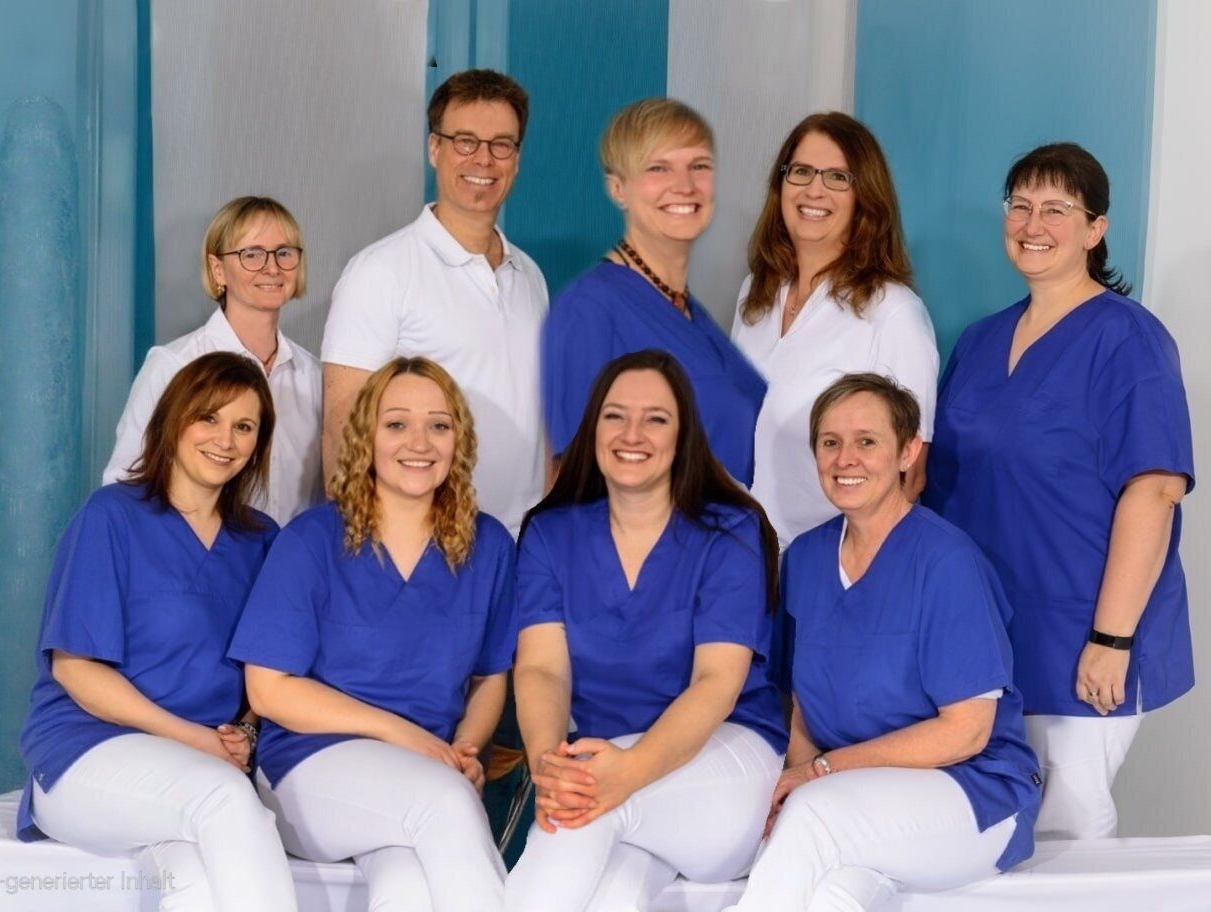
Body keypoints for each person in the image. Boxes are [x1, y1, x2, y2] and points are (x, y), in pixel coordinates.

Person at [923, 143, 1194, 840]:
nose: (1033, 224)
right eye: (1020, 206)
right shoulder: (979, 342)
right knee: (985, 834)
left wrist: (1111, 636)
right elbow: (938, 487)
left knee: (1067, 832)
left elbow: (1154, 492)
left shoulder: (1129, 340)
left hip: (1078, 632)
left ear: (1095, 229)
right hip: (984, 633)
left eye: (1056, 209)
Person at [729, 373, 1041, 912]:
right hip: (856, 794)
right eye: (831, 442)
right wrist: (798, 776)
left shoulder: (947, 563)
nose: (845, 459)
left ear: (907, 452)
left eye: (867, 441)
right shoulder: (804, 560)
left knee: (815, 817)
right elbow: (802, 706)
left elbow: (966, 732)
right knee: (832, 894)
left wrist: (821, 773)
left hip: (972, 791)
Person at [229, 357, 514, 912]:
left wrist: (464, 748)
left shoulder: (490, 545)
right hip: (308, 768)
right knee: (445, 805)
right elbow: (268, 690)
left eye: (438, 425)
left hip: (426, 773)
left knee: (409, 887)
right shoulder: (312, 540)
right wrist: (407, 738)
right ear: (367, 436)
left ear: (459, 440)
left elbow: (489, 677)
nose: (419, 442)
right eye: (397, 423)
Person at [505, 350, 786, 912]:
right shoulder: (550, 534)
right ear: (592, 427)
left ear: (684, 436)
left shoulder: (729, 534)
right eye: (615, 416)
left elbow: (715, 682)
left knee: (582, 808)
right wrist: (547, 765)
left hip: (726, 762)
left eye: (655, 418)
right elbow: (542, 669)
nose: (632, 434)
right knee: (615, 893)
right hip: (608, 772)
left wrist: (624, 772)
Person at [17, 352, 297, 911]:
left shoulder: (262, 539)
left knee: (195, 882)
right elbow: (75, 669)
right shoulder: (111, 517)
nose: (225, 440)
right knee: (225, 800)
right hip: (86, 749)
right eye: (209, 417)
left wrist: (244, 730)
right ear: (174, 419)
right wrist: (194, 739)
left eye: (244, 426)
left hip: (201, 760)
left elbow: (271, 666)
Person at [321, 69, 546, 537]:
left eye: (501, 144)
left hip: (522, 541)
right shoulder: (379, 272)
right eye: (465, 141)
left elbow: (539, 416)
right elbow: (343, 430)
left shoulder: (529, 276)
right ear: (434, 149)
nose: (483, 159)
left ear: (518, 159)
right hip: (422, 544)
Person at [731, 112, 938, 549]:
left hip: (825, 562)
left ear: (865, 197)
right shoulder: (755, 294)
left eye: (837, 177)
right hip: (740, 550)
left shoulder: (894, 312)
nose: (814, 189)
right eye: (801, 171)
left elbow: (909, 479)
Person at [543, 98, 766, 486]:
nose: (685, 185)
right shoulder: (589, 309)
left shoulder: (687, 310)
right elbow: (571, 482)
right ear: (618, 188)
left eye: (699, 166)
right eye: (658, 167)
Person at [103, 196, 322, 525]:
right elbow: (124, 485)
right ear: (218, 269)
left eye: (284, 253)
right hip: (195, 553)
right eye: (252, 254)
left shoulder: (315, 376)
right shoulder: (173, 364)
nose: (272, 267)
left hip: (293, 557)